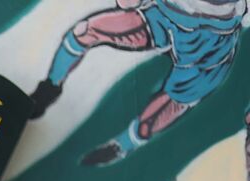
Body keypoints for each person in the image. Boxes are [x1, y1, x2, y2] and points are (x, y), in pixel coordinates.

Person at [28, 0, 246, 165]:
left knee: (166, 108)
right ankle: (49, 88)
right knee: (85, 32)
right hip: (164, 13)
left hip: (211, 40)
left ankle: (123, 145)